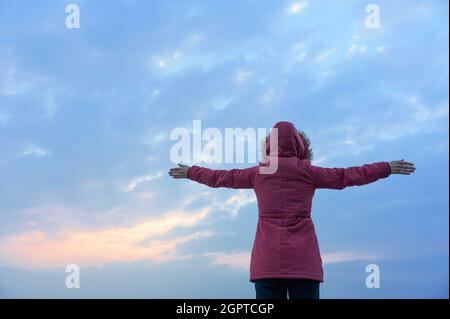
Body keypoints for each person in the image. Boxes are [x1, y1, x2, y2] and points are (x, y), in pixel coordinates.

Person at [168, 121, 415, 299]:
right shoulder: (308, 171)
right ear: (300, 145)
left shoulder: (259, 173)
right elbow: (347, 176)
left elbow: (220, 177)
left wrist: (190, 171)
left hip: (266, 265)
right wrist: (386, 167)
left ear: (268, 146)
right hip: (304, 265)